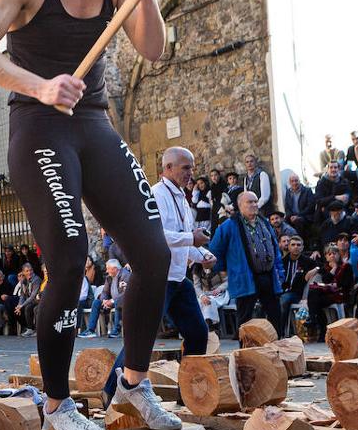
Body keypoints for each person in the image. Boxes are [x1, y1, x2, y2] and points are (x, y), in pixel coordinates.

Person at [0, 0, 185, 430]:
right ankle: (58, 407)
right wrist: (39, 86)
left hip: (92, 123)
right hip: (38, 125)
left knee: (154, 254)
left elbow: (153, 50)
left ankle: (132, 387)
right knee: (68, 257)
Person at [104, 146, 213, 398]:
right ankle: (111, 392)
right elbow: (157, 236)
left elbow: (184, 244)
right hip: (157, 280)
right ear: (168, 168)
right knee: (141, 341)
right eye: (186, 167)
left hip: (177, 279)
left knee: (198, 334)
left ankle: (191, 393)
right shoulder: (155, 195)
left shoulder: (184, 200)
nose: (191, 173)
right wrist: (191, 239)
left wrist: (202, 254)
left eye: (192, 167)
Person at [208, 191, 285, 330]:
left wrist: (280, 272)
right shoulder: (229, 225)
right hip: (244, 278)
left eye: (255, 201)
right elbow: (214, 250)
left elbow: (275, 249)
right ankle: (245, 350)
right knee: (245, 318)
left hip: (268, 276)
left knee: (275, 314)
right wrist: (229, 269)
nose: (254, 204)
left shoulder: (265, 223)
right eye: (250, 202)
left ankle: (277, 346)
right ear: (240, 205)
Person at [305, 243, 354, 340]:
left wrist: (336, 268)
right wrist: (332, 270)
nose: (332, 256)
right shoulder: (325, 267)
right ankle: (316, 322)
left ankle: (315, 322)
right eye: (329, 254)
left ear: (339, 255)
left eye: (334, 253)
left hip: (341, 294)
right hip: (328, 294)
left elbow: (347, 283)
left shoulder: (346, 266)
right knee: (314, 295)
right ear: (326, 257)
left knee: (315, 300)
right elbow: (326, 280)